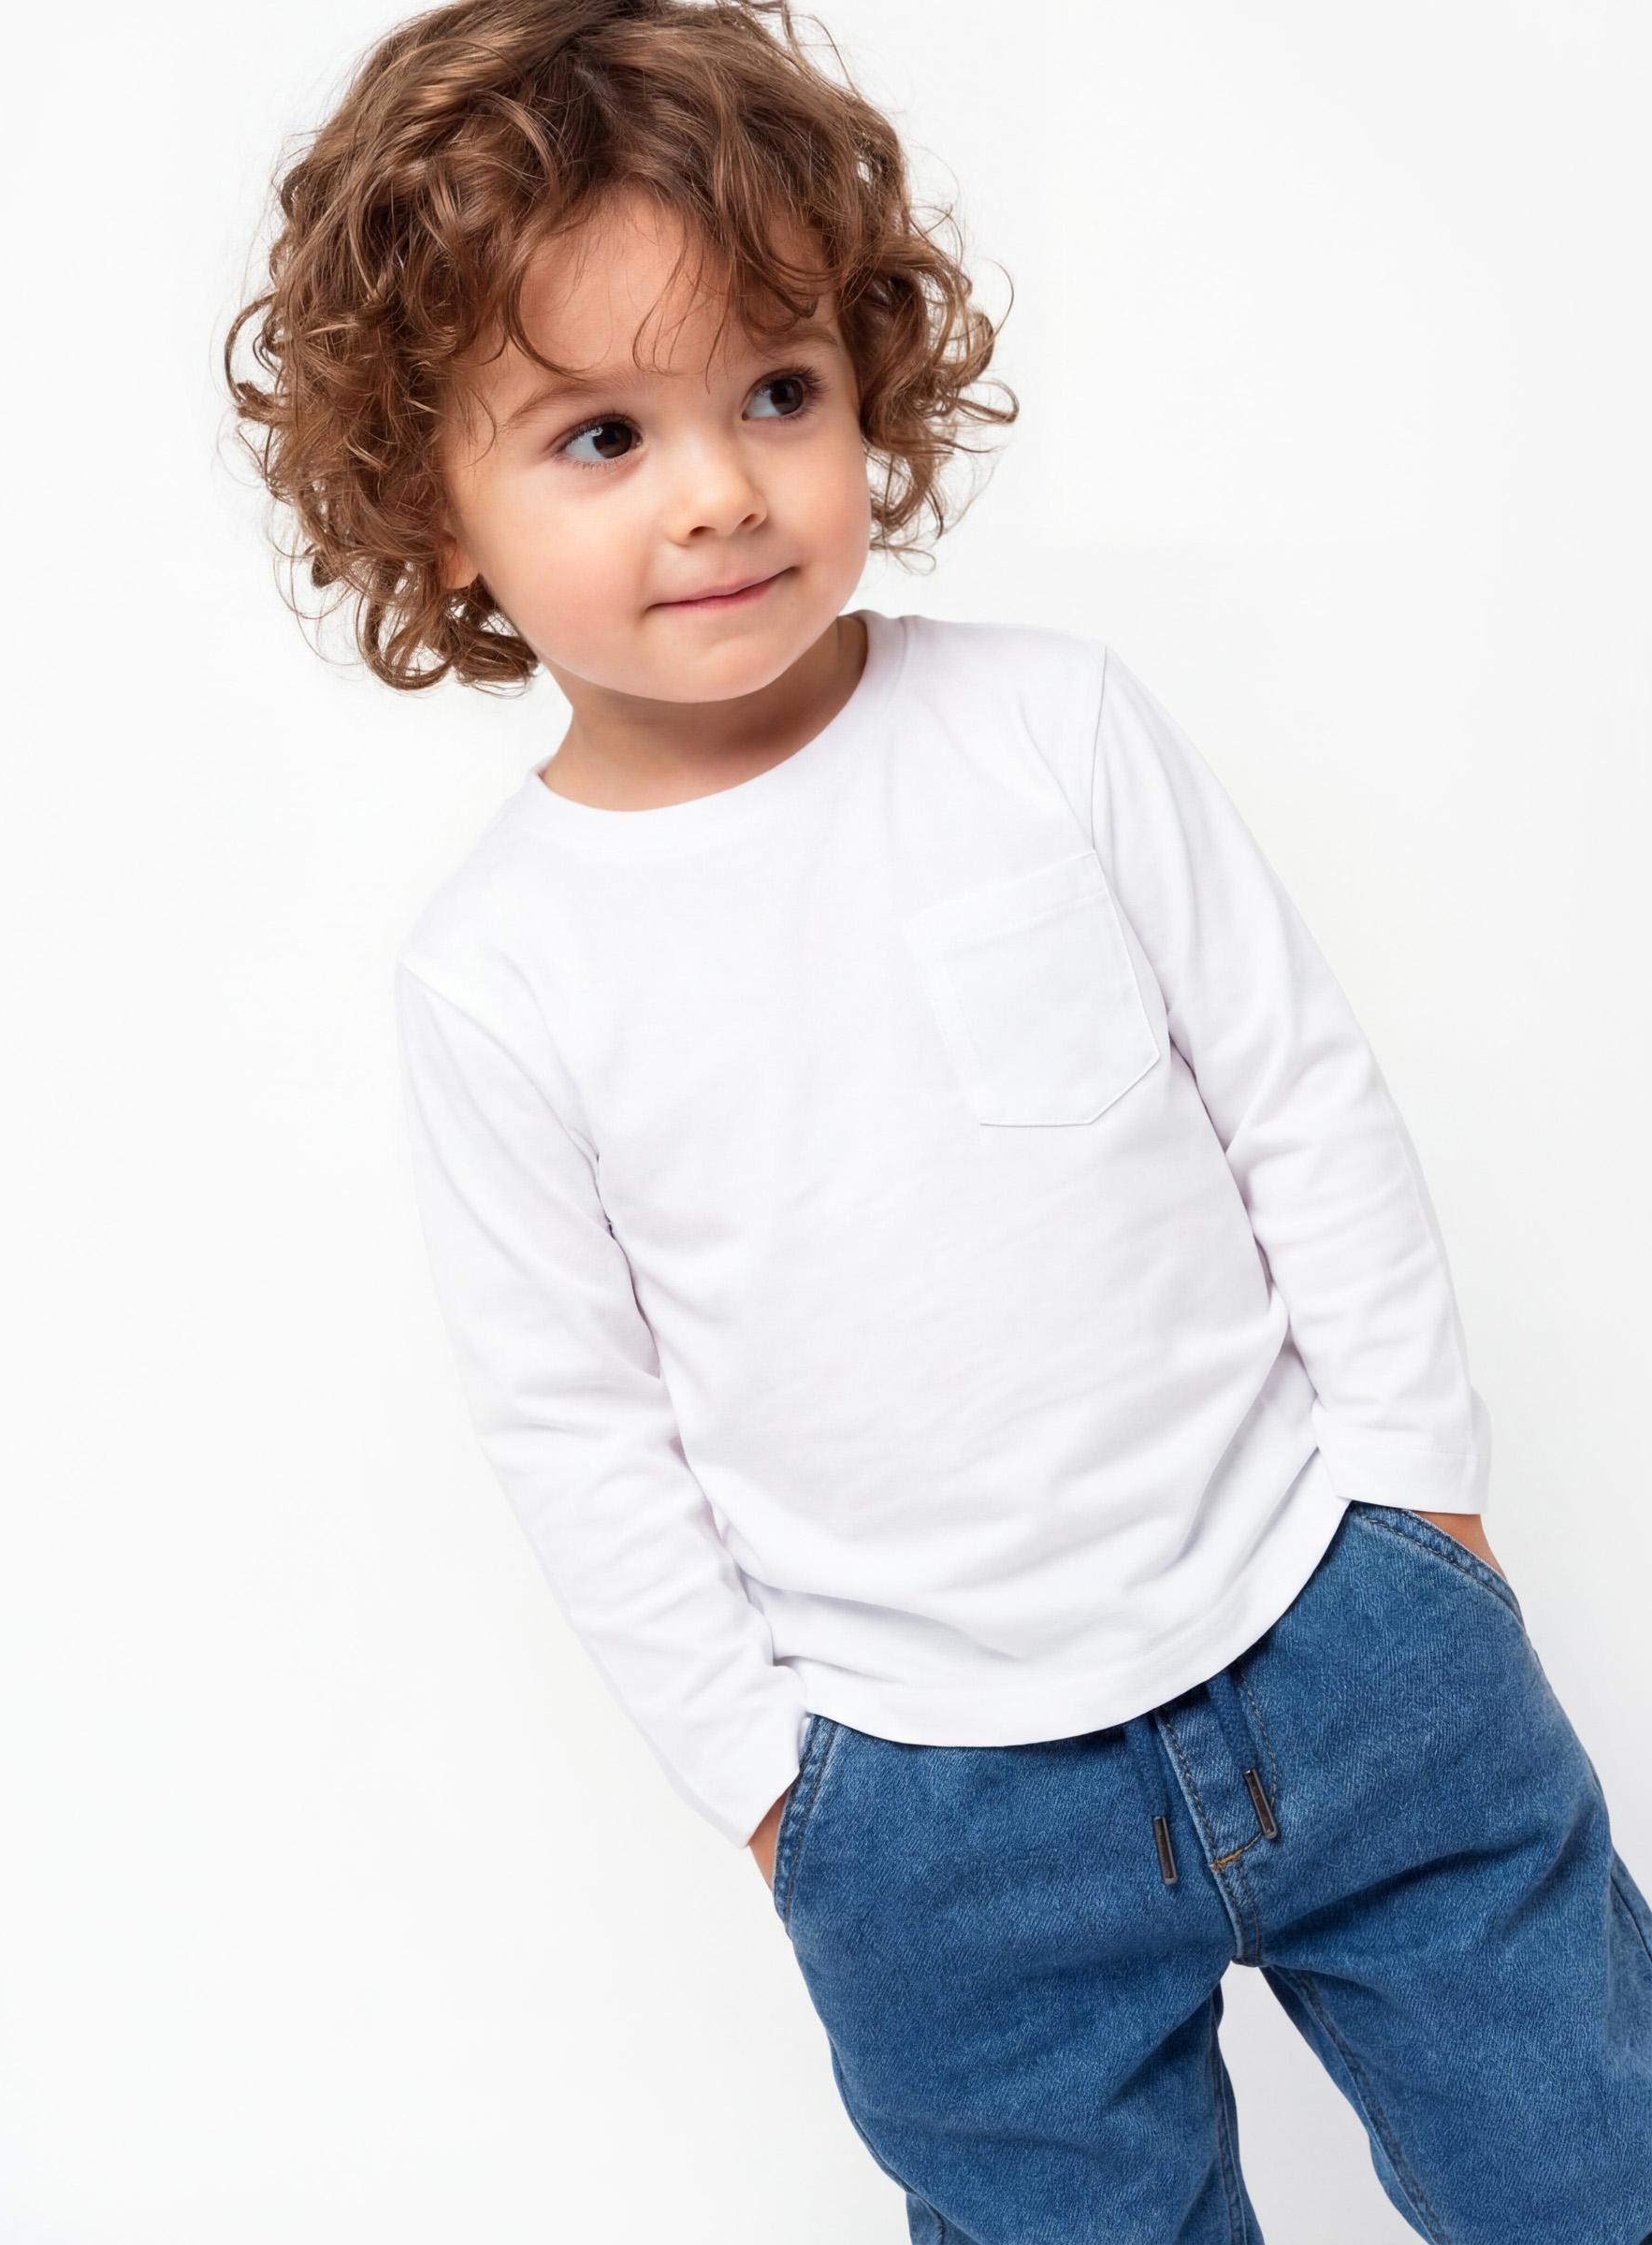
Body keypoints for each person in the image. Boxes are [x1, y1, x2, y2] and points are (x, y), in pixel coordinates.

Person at [222, 2, 1652, 2235]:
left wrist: (1417, 1508)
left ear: (867, 380)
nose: (718, 489)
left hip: (1335, 1634)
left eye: (774, 393)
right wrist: (775, 1792)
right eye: (599, 434)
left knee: (1592, 2166)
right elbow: (576, 1424)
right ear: (432, 509)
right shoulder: (501, 971)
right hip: (932, 1813)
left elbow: (1294, 1101)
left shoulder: (1048, 733)